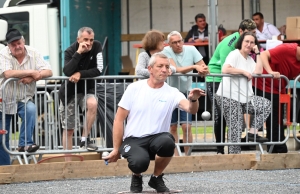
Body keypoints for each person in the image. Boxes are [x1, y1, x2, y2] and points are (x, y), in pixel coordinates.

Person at [104, 52, 206, 193]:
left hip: (157, 139)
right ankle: (136, 176)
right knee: (140, 164)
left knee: (168, 141)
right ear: (150, 69)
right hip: (134, 139)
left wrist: (193, 99)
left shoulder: (172, 92)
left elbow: (191, 109)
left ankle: (156, 177)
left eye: (167, 66)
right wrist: (115, 149)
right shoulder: (134, 88)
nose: (164, 69)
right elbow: (119, 119)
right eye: (160, 66)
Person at [0, 28, 52, 165]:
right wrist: (32, 72)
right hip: (4, 100)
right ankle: (5, 168)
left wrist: (36, 77)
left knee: (31, 109)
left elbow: (49, 71)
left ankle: (25, 144)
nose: (17, 46)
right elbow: (8, 74)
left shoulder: (34, 52)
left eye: (19, 43)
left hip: (24, 97)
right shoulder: (3, 53)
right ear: (8, 46)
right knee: (2, 137)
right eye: (13, 44)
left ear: (23, 41)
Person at [215, 32, 271, 154]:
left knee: (265, 105)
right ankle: (234, 157)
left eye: (252, 42)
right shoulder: (234, 54)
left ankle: (252, 133)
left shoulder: (250, 59)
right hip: (228, 96)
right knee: (236, 126)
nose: (249, 44)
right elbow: (225, 69)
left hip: (245, 97)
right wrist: (244, 72)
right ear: (241, 42)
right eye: (247, 41)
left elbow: (259, 71)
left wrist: (258, 53)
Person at [206, 19, 257, 154]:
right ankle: (220, 149)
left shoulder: (247, 45)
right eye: (248, 33)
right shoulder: (230, 44)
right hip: (216, 78)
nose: (251, 38)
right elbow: (226, 67)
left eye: (253, 34)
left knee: (233, 114)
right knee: (220, 114)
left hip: (232, 78)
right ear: (240, 31)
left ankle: (233, 147)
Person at [162, 31, 209, 156]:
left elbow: (204, 67)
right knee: (172, 127)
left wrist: (203, 69)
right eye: (174, 42)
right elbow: (175, 69)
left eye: (180, 41)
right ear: (169, 44)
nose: (178, 44)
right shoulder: (166, 51)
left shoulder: (192, 49)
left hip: (187, 92)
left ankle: (187, 156)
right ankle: (176, 156)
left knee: (186, 126)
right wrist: (194, 67)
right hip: (170, 92)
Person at [59, 27, 103, 155]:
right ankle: (68, 163)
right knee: (69, 130)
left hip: (87, 89)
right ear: (78, 40)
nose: (89, 43)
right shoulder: (70, 51)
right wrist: (78, 53)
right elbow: (67, 71)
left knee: (92, 103)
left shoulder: (97, 46)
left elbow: (99, 69)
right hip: (69, 92)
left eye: (91, 40)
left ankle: (84, 139)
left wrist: (80, 74)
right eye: (85, 40)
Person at [256, 43, 300, 153]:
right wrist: (270, 71)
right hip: (266, 83)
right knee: (274, 116)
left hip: (279, 87)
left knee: (278, 117)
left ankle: (276, 146)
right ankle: (277, 147)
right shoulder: (287, 49)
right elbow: (263, 54)